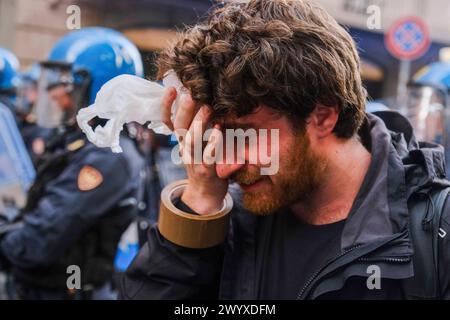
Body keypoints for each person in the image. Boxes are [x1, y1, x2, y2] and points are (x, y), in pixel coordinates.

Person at [120, 0, 450, 300]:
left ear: (323, 115)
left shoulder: (435, 232)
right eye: (219, 140)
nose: (224, 168)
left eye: (245, 136)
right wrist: (200, 201)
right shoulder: (228, 216)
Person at [0, 27, 145, 300]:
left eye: (66, 86)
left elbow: (41, 238)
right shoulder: (80, 142)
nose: (56, 95)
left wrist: (6, 237)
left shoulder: (109, 155)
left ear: (97, 91)